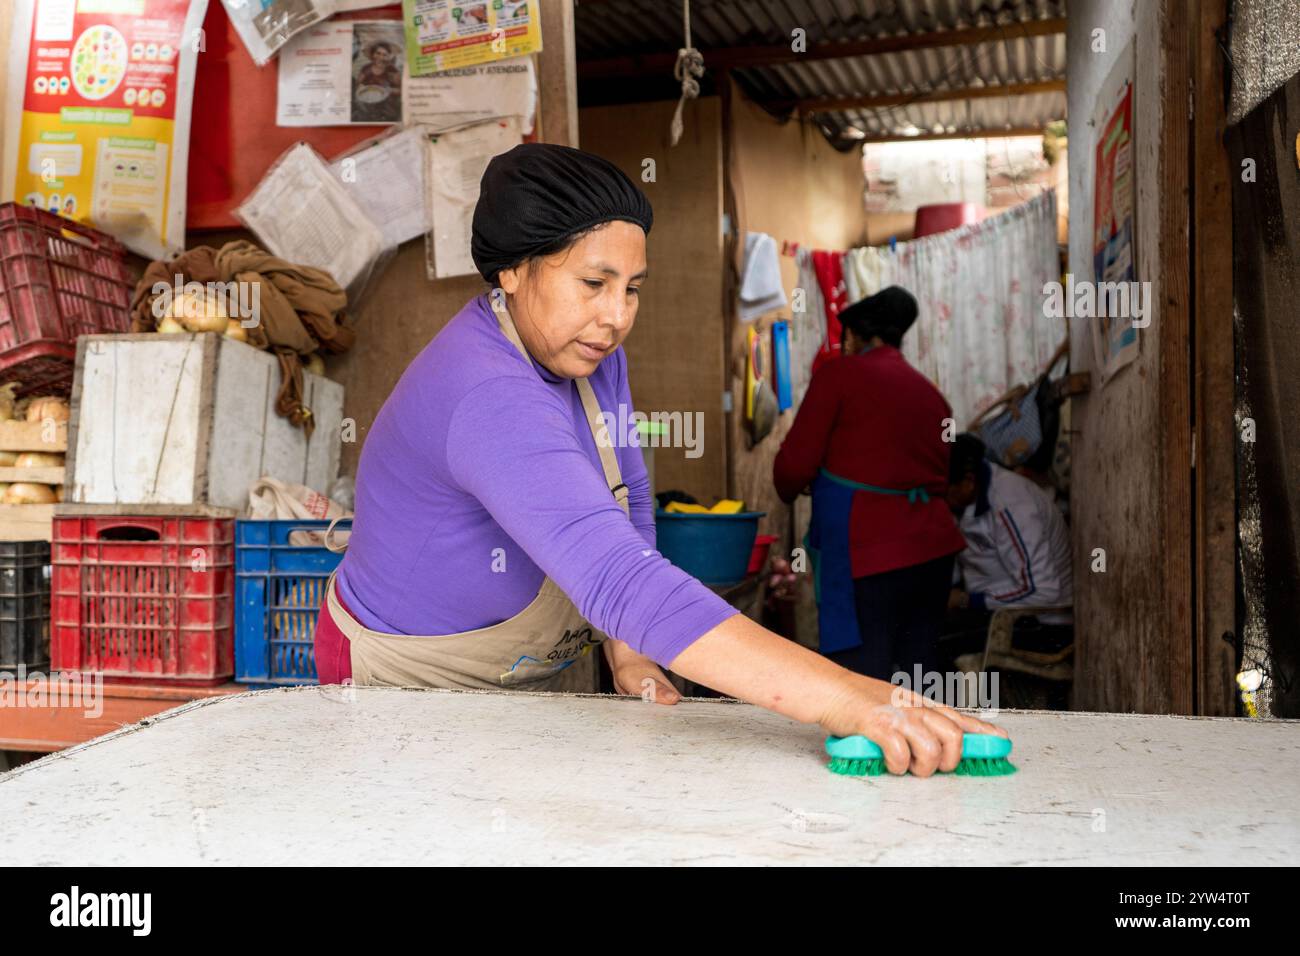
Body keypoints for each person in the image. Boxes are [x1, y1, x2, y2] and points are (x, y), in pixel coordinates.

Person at [312, 144, 1003, 775]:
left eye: (633, 288)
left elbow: (629, 498)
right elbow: (617, 579)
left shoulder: (589, 356)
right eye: (594, 283)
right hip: (405, 682)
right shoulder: (487, 392)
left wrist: (630, 648)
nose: (617, 316)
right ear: (513, 271)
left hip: (515, 675)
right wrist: (849, 698)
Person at [773, 286, 966, 683]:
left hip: (868, 550)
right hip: (934, 552)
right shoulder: (932, 395)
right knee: (918, 673)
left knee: (861, 676)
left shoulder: (839, 376)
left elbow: (793, 468)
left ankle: (865, 745)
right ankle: (923, 744)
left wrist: (806, 483)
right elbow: (938, 475)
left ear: (856, 336)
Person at [944, 433, 1073, 655]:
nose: (941, 498)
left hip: (1043, 623)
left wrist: (967, 600)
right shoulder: (967, 502)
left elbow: (1044, 591)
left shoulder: (1010, 503)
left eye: (946, 490)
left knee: (938, 647)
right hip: (995, 611)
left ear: (967, 482)